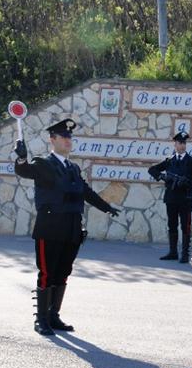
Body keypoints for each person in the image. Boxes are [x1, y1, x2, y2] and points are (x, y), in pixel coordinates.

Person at [14, 118, 121, 336]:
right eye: (63, 137)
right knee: (46, 272)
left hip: (71, 228)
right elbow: (25, 171)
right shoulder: (43, 164)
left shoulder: (73, 168)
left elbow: (86, 192)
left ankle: (54, 316)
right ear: (52, 140)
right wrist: (22, 157)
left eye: (69, 137)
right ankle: (41, 320)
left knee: (63, 273)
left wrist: (106, 208)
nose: (68, 141)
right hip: (50, 227)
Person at [148, 131, 192, 263]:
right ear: (175, 144)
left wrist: (187, 184)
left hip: (185, 199)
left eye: (184, 143)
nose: (182, 145)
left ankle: (184, 254)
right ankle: (173, 252)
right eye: (180, 143)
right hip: (171, 198)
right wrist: (161, 177)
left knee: (185, 226)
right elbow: (152, 169)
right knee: (172, 225)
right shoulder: (169, 160)